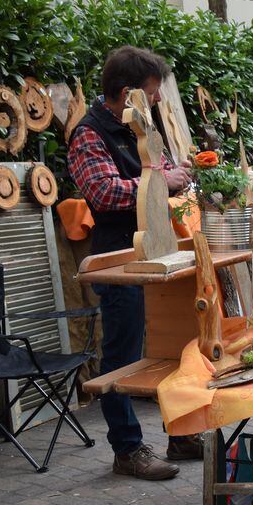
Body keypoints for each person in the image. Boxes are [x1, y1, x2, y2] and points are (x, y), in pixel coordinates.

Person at [68, 46, 201, 481]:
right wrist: (163, 181)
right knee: (123, 358)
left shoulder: (142, 123)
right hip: (121, 259)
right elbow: (104, 192)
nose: (160, 98)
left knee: (172, 348)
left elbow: (154, 172)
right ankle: (127, 450)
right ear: (127, 94)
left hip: (161, 253)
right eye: (152, 91)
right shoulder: (88, 134)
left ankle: (179, 435)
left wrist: (178, 172)